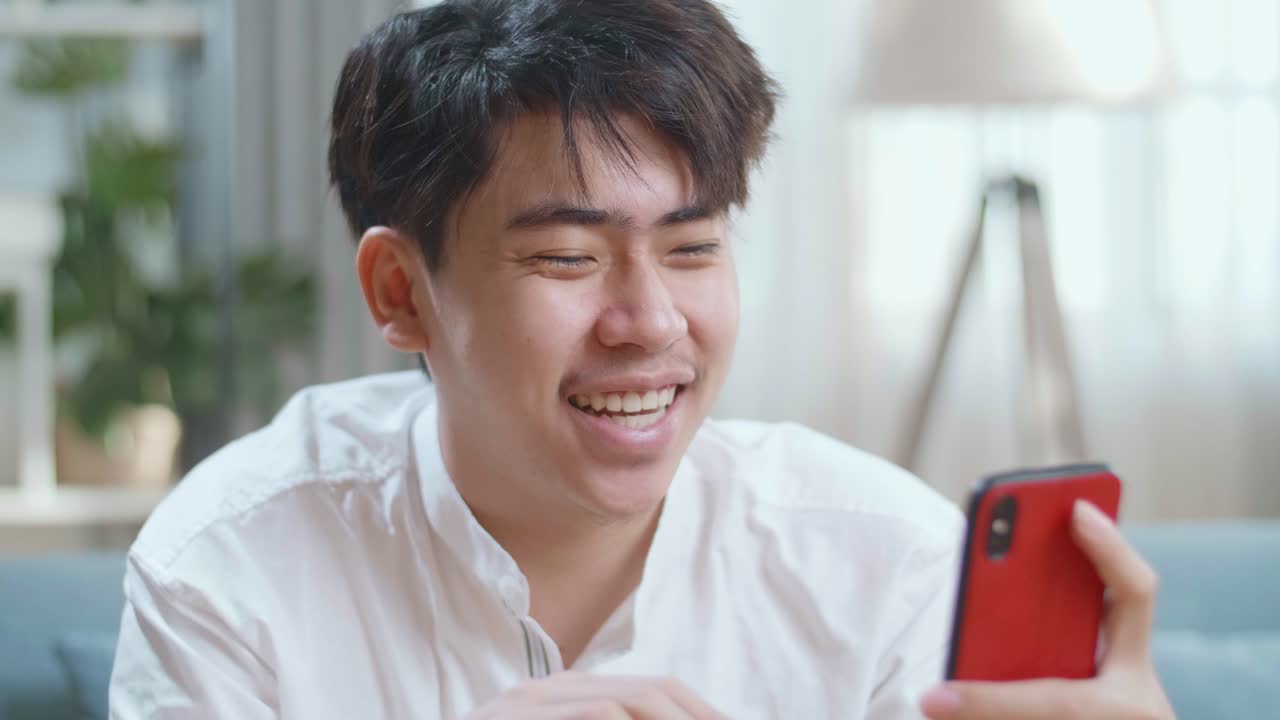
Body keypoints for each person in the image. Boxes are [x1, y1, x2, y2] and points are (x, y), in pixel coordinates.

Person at [109, 1, 1175, 718]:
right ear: (402, 294)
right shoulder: (234, 566)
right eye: (567, 255)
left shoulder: (884, 565)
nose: (651, 320)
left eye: (693, 247)